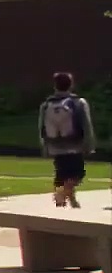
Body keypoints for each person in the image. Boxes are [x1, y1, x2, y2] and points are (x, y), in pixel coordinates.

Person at [39, 72, 97, 209]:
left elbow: (41, 127)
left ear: (55, 86)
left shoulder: (46, 104)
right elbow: (86, 125)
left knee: (61, 174)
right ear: (71, 85)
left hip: (55, 145)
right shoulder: (79, 102)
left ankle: (68, 202)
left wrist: (45, 145)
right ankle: (61, 195)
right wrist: (89, 144)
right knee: (77, 175)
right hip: (74, 145)